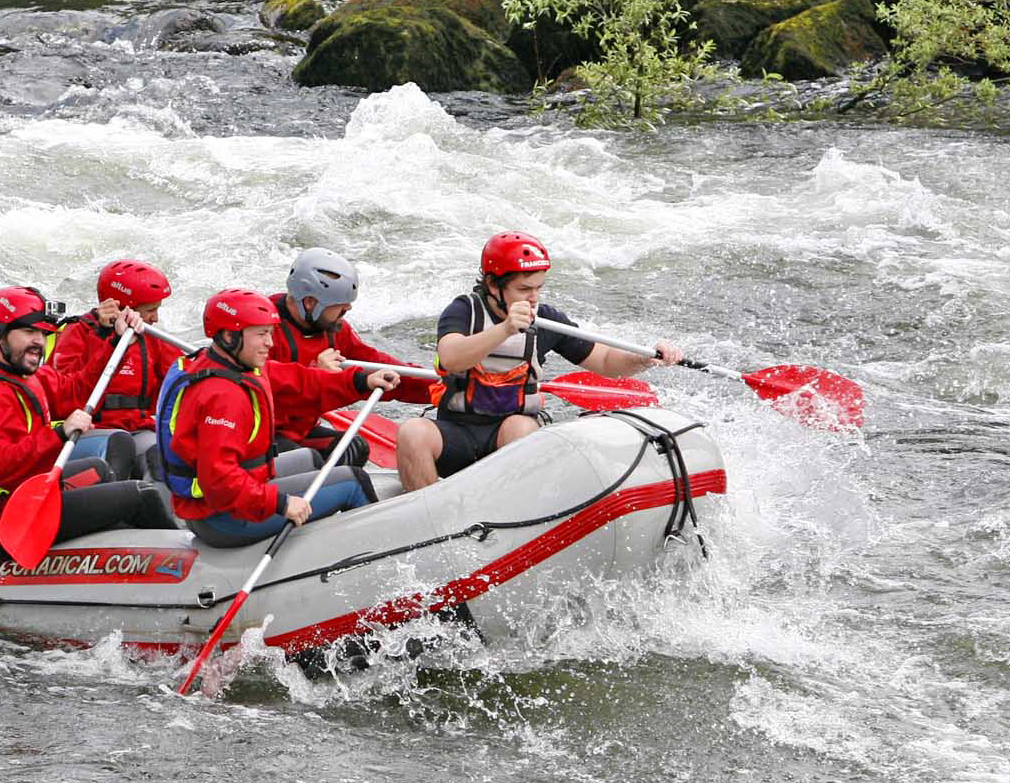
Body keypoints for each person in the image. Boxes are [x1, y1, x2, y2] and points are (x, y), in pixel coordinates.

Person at [395, 231, 685, 492]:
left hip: (507, 435)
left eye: (538, 288)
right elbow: (451, 357)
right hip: (455, 432)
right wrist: (505, 329)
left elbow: (606, 361)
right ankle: (431, 521)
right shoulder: (464, 310)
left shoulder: (545, 319)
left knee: (520, 428)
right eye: (524, 289)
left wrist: (646, 357)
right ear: (493, 285)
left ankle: (506, 518)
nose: (533, 298)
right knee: (412, 433)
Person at [0, 286, 174, 563]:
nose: (39, 342)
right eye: (29, 332)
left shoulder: (26, 374)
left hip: (25, 496)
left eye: (44, 334)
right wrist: (59, 432)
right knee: (140, 496)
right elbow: (3, 469)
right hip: (3, 519)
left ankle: (115, 554)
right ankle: (178, 565)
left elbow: (78, 391)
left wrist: (115, 342)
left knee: (100, 470)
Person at [155, 289, 400, 548]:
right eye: (261, 334)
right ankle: (382, 559)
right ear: (229, 336)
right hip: (224, 517)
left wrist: (360, 381)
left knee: (311, 458)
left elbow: (300, 381)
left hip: (226, 499)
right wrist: (281, 503)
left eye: (270, 333)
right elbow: (219, 481)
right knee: (352, 482)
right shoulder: (223, 397)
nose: (270, 343)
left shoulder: (217, 362)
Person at [267, 246, 437, 467]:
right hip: (260, 437)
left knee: (355, 449)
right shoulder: (261, 329)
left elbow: (376, 364)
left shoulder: (333, 328)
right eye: (342, 309)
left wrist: (438, 386)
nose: (347, 310)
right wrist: (318, 375)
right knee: (304, 461)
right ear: (310, 302)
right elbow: (262, 382)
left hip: (299, 431)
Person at [49, 260, 183, 462]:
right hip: (91, 431)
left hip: (137, 429)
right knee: (119, 446)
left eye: (157, 309)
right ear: (120, 306)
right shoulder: (77, 333)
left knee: (158, 454)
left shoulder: (151, 337)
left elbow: (184, 375)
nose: (155, 318)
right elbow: (64, 394)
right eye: (149, 310)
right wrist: (104, 337)